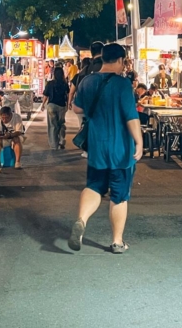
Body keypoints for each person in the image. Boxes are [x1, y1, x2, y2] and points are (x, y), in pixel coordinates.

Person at [69, 43, 143, 255]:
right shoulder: (122, 85)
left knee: (94, 186)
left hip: (97, 146)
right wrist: (138, 141)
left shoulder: (87, 81)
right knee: (119, 195)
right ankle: (117, 242)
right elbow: (131, 116)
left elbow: (76, 107)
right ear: (120, 60)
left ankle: (82, 220)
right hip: (121, 150)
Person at [43, 65, 70, 150]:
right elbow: (68, 95)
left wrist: (43, 104)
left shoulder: (50, 83)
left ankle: (54, 145)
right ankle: (62, 141)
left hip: (51, 106)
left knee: (52, 126)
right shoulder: (65, 84)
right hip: (62, 106)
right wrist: (68, 104)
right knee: (61, 124)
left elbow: (45, 95)